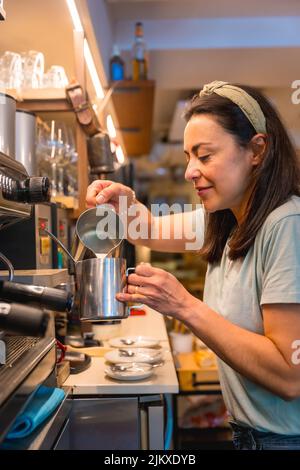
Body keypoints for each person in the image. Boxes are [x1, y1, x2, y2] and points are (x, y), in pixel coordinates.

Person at [86, 81, 300, 450]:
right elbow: (146, 229)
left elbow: (289, 376)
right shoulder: (229, 221)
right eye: (188, 156)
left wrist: (183, 306)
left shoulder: (285, 224)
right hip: (252, 435)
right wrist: (123, 200)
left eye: (204, 155)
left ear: (256, 150)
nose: (190, 171)